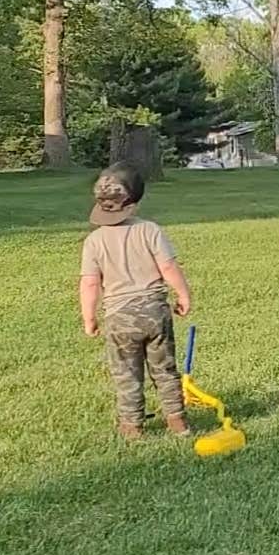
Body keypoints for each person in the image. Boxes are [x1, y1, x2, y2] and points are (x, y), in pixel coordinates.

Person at [80, 165, 193, 442]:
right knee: (165, 370)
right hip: (155, 313)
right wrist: (183, 295)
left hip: (119, 319)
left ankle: (132, 427)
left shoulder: (94, 241)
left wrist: (89, 318)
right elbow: (168, 267)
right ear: (135, 202)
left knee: (127, 374)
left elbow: (90, 283)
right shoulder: (150, 230)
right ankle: (177, 422)